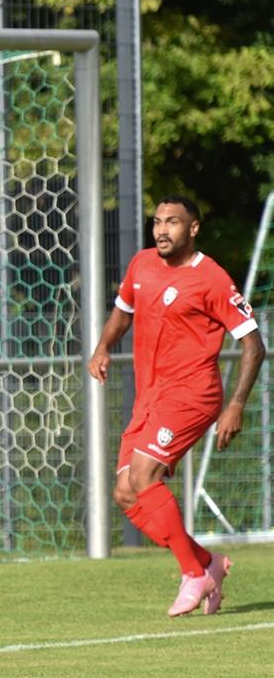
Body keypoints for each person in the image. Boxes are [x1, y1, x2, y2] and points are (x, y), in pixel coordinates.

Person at [88, 195, 265, 617]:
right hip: (150, 395)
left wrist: (236, 404)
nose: (162, 230)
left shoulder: (214, 279)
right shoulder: (141, 264)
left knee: (145, 475)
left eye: (172, 222)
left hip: (193, 394)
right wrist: (103, 347)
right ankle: (208, 563)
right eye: (157, 222)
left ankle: (193, 574)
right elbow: (122, 312)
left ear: (193, 229)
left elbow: (254, 346)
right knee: (125, 492)